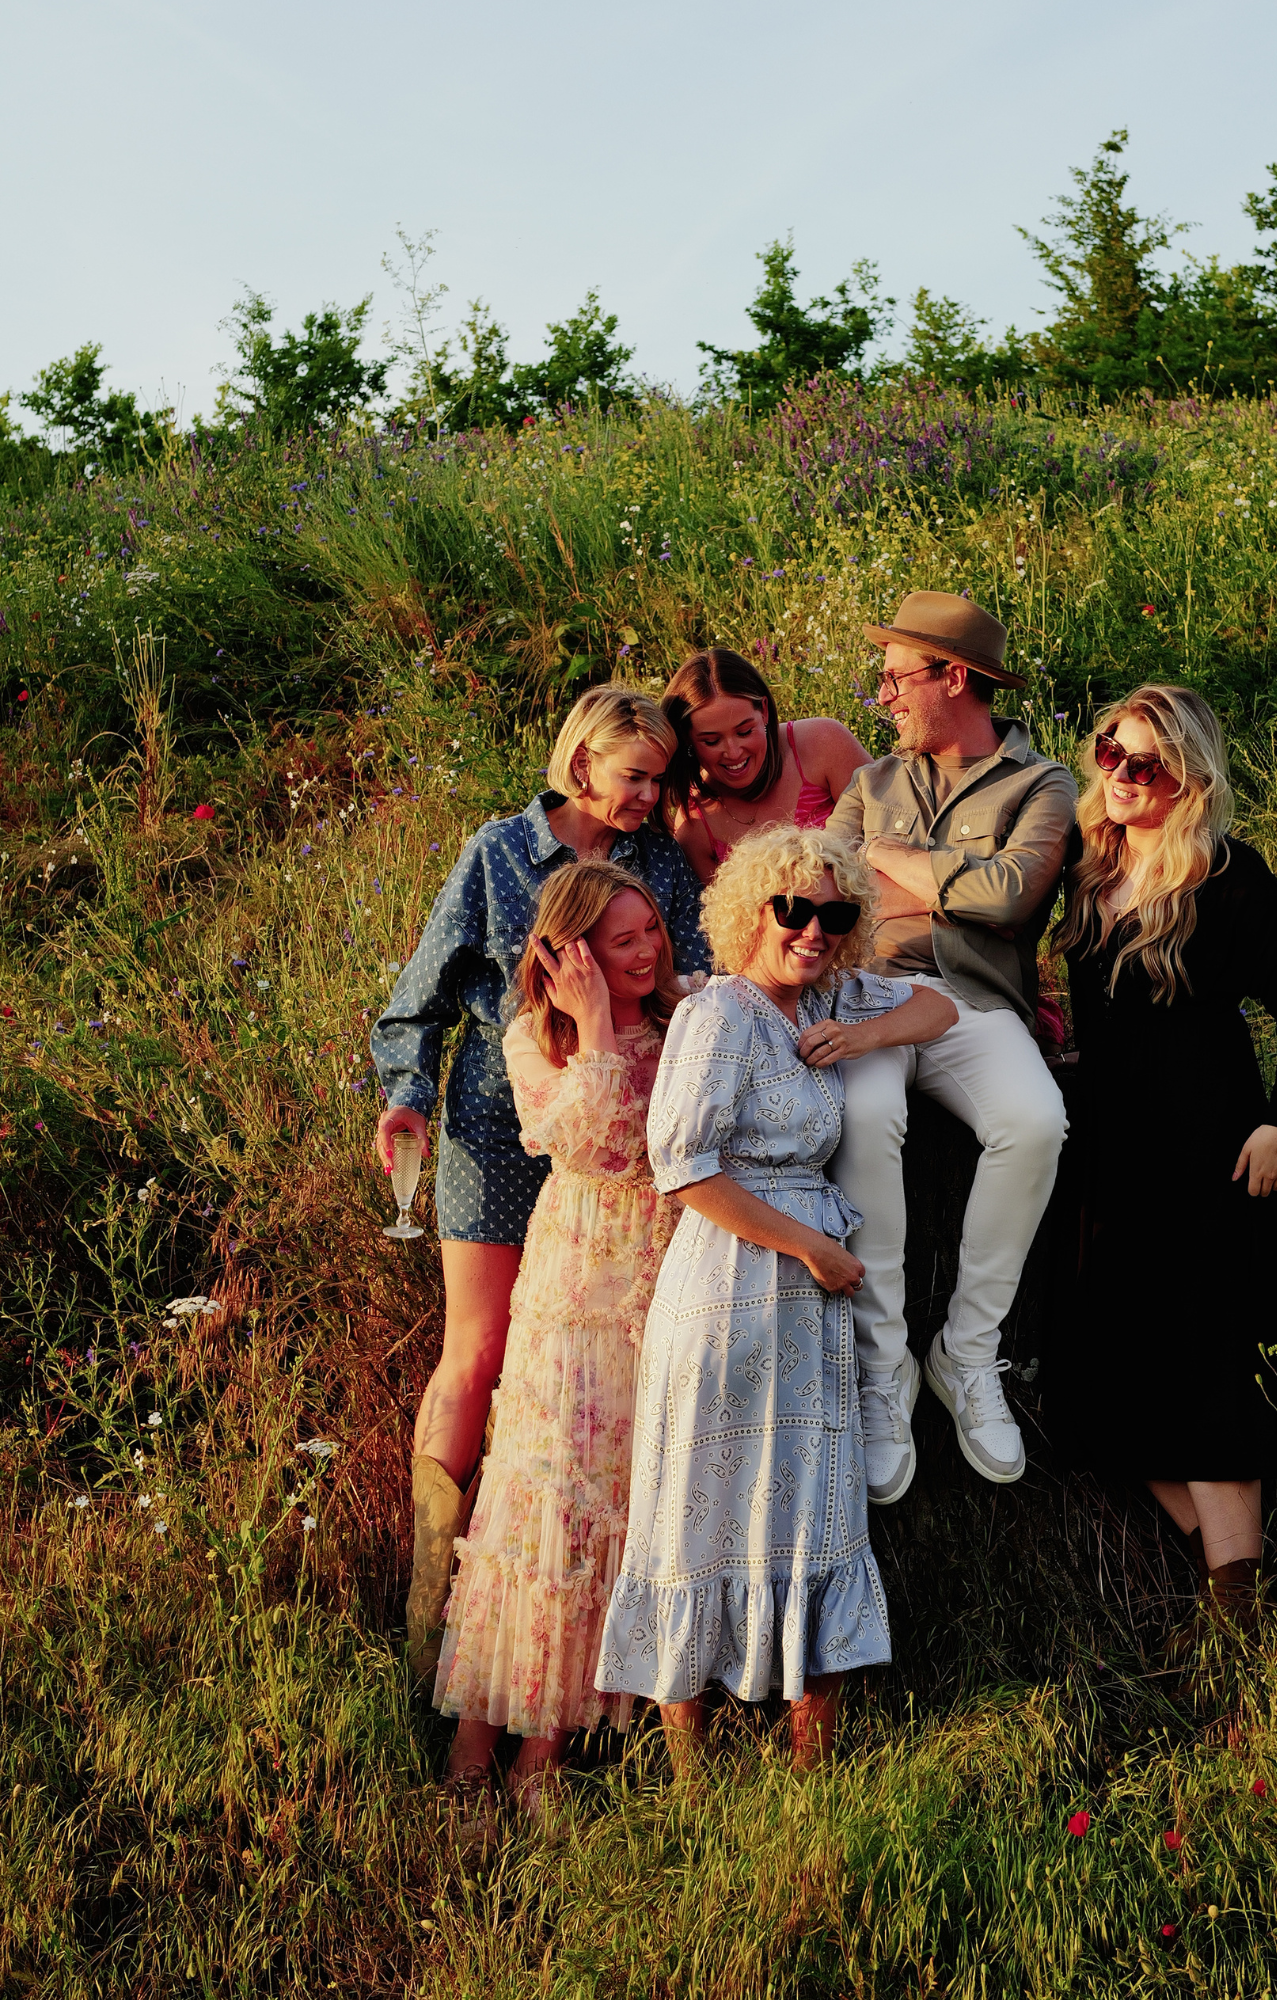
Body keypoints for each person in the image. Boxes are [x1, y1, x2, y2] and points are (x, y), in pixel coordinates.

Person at [594, 827, 956, 1773]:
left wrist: (863, 1035)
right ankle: (689, 1781)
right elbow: (684, 1170)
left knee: (817, 1510)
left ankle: (810, 1771)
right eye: (793, 909)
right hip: (729, 1285)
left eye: (835, 914)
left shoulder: (829, 995)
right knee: (694, 1516)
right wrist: (813, 1248)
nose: (813, 930)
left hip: (807, 1303)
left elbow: (938, 1007)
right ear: (750, 911)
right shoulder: (718, 1014)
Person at [369, 684, 709, 1688]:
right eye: (634, 776)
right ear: (582, 761)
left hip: (616, 1146)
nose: (647, 797)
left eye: (659, 779)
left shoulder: (658, 863)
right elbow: (420, 998)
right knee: (477, 1352)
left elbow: (690, 980)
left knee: (598, 1368)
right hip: (494, 1121)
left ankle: (584, 1625)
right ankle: (436, 1611)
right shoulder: (499, 853)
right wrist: (408, 1097)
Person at [1050, 685, 1277, 1626]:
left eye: (1147, 764)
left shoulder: (1228, 875)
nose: (1122, 775)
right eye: (1111, 751)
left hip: (1210, 1146)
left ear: (1189, 780)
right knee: (1101, 1378)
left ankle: (1238, 1610)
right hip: (1110, 1153)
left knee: (1204, 1364)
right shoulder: (1090, 865)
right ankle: (1228, 1577)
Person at [433, 860, 696, 1809]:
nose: (646, 951)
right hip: (577, 1285)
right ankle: (472, 1755)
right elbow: (590, 1145)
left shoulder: (683, 1018)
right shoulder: (531, 1039)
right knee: (541, 1502)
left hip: (660, 1279)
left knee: (615, 1502)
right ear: (569, 954)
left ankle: (542, 1756)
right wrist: (592, 1026)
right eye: (622, 940)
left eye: (650, 929)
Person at [824, 591, 1076, 1506]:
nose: (884, 695)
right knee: (863, 1112)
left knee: (1036, 1121)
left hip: (976, 1001)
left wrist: (891, 864)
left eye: (897, 678)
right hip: (872, 991)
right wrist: (947, 882)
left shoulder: (1041, 785)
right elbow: (824, 887)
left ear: (954, 677)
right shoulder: (872, 784)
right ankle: (882, 1365)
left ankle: (966, 1355)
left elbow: (1010, 900)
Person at [663, 647, 871, 881]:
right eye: (711, 741)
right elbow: (716, 905)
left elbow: (893, 825)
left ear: (764, 710)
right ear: (687, 738)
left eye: (744, 731)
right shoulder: (694, 825)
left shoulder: (823, 743)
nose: (733, 752)